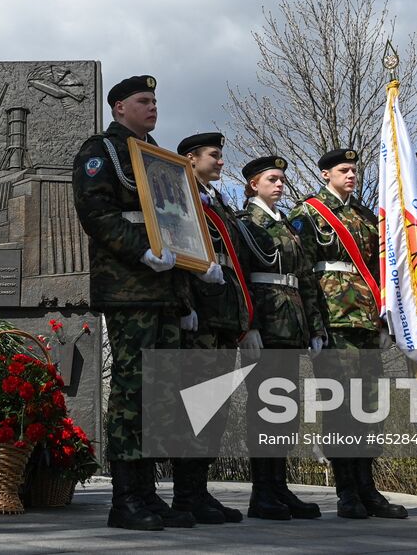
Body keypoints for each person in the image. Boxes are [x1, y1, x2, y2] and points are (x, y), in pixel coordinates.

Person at [71, 76, 224, 531]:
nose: (152, 106)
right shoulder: (103, 151)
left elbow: (179, 222)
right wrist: (140, 247)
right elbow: (94, 212)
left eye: (156, 100)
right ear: (119, 107)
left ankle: (150, 496)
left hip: (165, 291)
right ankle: (126, 498)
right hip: (130, 286)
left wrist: (189, 284)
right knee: (132, 392)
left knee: (160, 398)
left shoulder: (160, 158)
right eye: (143, 100)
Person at [288, 148, 407, 520]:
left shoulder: (367, 217)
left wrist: (387, 321)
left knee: (370, 408)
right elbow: (303, 273)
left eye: (355, 169)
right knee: (340, 407)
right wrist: (314, 325)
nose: (352, 175)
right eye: (344, 170)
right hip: (333, 320)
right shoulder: (307, 213)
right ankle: (346, 492)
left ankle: (368, 488)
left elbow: (381, 269)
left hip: (366, 322)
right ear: (326, 174)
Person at [239, 155, 325, 521]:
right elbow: (242, 275)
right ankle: (262, 493)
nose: (279, 185)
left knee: (284, 411)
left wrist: (316, 326)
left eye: (282, 180)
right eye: (272, 179)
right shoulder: (245, 224)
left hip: (291, 325)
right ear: (253, 184)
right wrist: (249, 325)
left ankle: (279, 487)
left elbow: (305, 278)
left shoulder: (287, 225)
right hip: (266, 325)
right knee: (265, 410)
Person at [173, 131, 252, 524]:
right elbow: (176, 252)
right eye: (214, 156)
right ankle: (185, 495)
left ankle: (200, 492)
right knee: (196, 409)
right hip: (199, 318)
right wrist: (184, 304)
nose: (221, 162)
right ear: (190, 159)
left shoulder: (218, 202)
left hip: (222, 317)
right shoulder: (178, 197)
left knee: (215, 410)